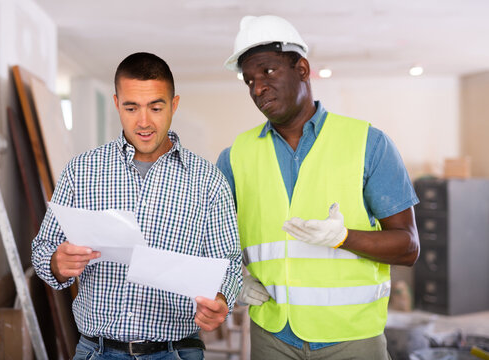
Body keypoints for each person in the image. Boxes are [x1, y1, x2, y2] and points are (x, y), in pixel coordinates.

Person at [217, 15, 420, 359]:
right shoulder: (236, 155)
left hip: (353, 338)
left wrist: (344, 238)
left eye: (267, 72)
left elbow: (408, 247)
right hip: (272, 336)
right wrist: (230, 278)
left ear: (302, 68)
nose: (257, 88)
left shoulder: (368, 144)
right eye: (249, 80)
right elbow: (206, 235)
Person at [32, 52, 242, 360]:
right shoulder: (82, 170)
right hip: (96, 351)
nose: (143, 122)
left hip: (175, 352)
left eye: (156, 107)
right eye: (131, 108)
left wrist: (221, 299)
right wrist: (56, 264)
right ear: (117, 104)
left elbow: (229, 262)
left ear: (174, 104)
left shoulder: (209, 181)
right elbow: (43, 248)